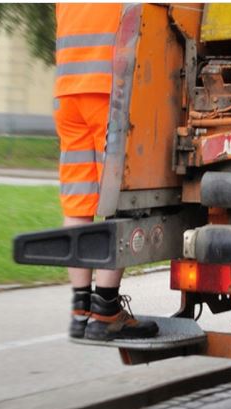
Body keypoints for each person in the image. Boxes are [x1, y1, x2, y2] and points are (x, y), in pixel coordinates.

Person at [55, 3, 157, 341]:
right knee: (119, 200)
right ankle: (106, 309)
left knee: (78, 203)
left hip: (68, 92)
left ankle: (79, 309)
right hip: (109, 91)